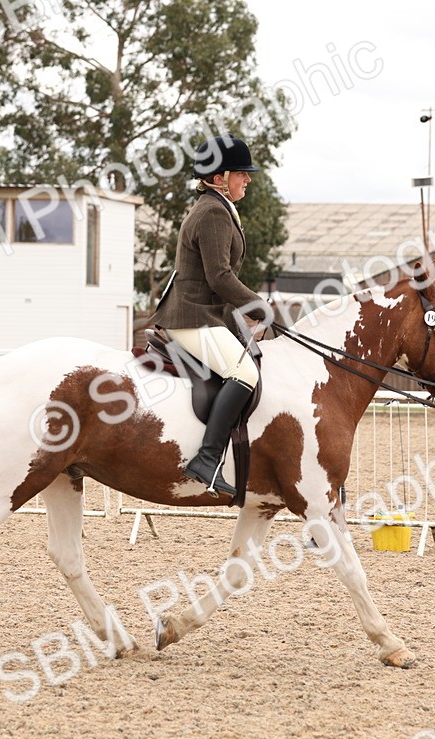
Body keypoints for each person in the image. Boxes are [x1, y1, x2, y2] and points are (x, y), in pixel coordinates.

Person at [147, 135, 267, 497]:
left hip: (206, 314)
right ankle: (208, 458)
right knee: (244, 373)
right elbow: (220, 277)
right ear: (219, 178)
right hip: (191, 316)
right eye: (241, 173)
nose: (247, 179)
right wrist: (258, 306)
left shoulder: (218, 207)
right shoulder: (213, 212)